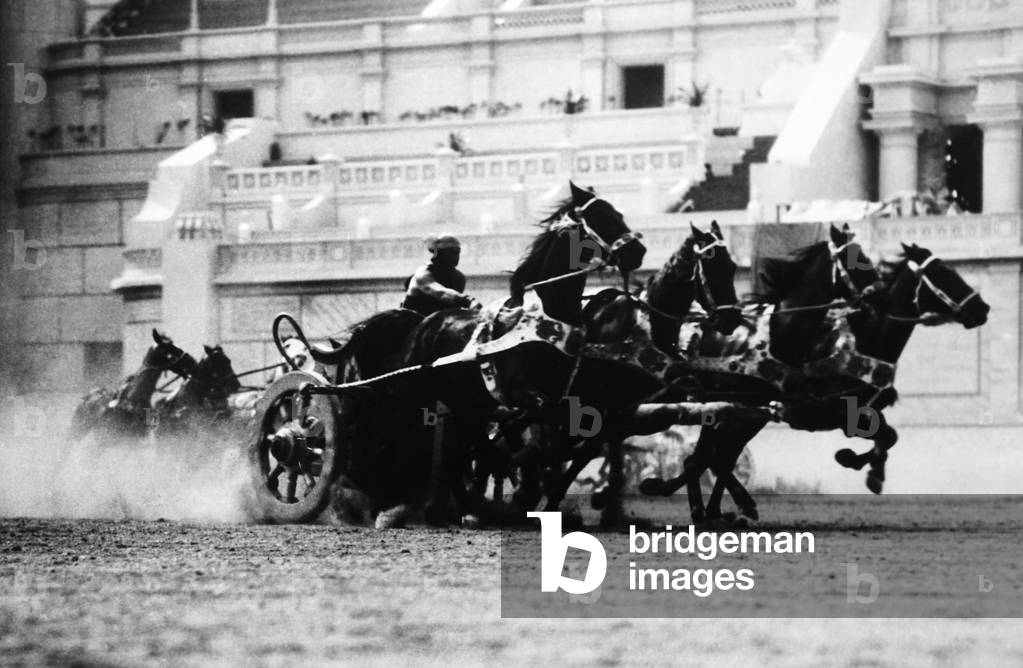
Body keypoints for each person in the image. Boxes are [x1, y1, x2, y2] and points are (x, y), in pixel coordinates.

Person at [401, 234, 475, 316]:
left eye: (457, 252)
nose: (456, 256)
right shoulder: (423, 273)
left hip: (437, 322)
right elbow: (439, 292)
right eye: (452, 252)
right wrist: (468, 300)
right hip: (411, 322)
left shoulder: (459, 278)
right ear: (439, 254)